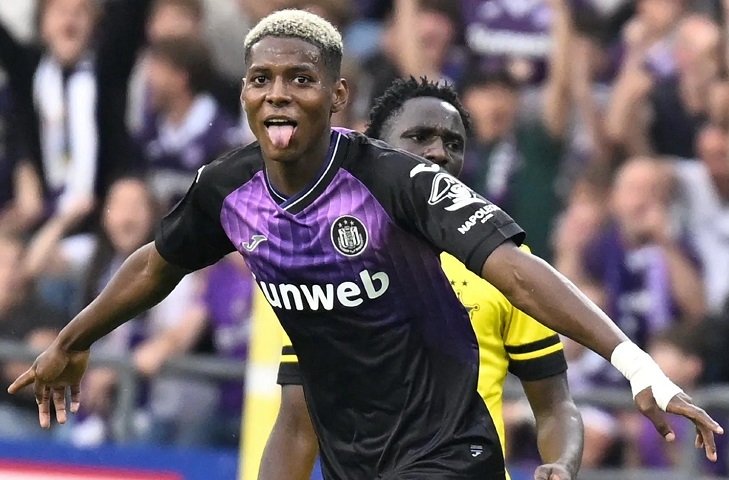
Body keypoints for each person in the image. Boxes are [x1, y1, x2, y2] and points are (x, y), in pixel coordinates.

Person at [8, 10, 722, 480]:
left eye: (300, 79)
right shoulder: (228, 190)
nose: (278, 94)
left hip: (451, 458)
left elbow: (517, 272)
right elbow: (155, 265)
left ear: (337, 96)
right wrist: (73, 339)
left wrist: (636, 365)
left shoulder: (396, 181)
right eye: (261, 79)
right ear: (244, 93)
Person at [258, 77, 584, 480]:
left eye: (454, 143)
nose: (439, 152)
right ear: (375, 148)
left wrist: (563, 463)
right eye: (420, 137)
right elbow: (296, 426)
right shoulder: (326, 265)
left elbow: (554, 405)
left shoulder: (506, 263)